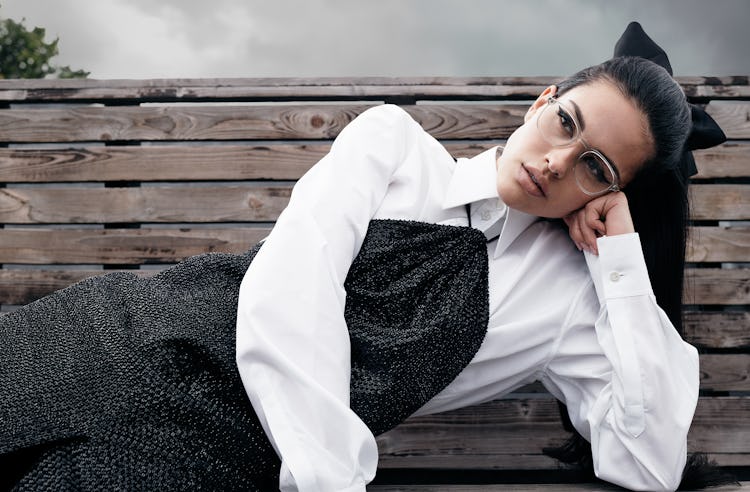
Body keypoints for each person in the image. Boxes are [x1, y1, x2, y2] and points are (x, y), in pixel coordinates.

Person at [0, 22, 729, 492]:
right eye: (564, 123)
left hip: (228, 442)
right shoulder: (393, 145)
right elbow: (290, 290)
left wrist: (624, 268)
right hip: (132, 336)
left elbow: (648, 461)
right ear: (543, 100)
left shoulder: (566, 304)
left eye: (596, 167)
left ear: (614, 193)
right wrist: (329, 480)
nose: (556, 162)